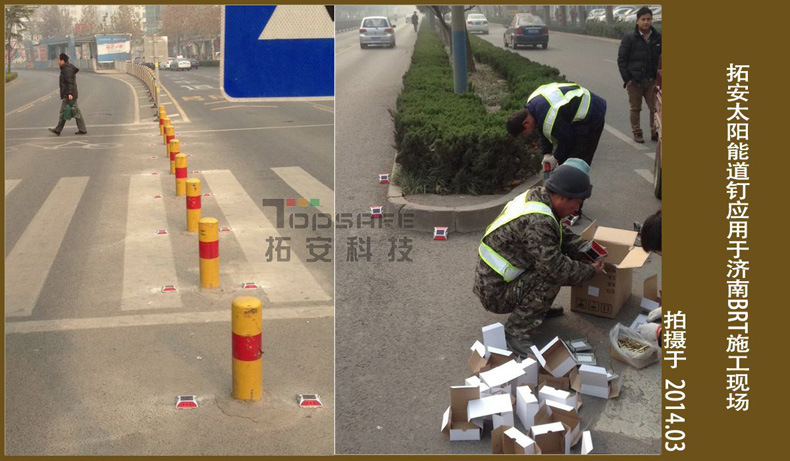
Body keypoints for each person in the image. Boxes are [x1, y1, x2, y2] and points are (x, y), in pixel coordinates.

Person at [473, 163, 605, 356]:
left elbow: (559, 234)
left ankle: (536, 309)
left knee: (550, 267)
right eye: (576, 202)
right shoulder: (538, 221)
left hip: (500, 280)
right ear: (560, 196)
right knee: (550, 276)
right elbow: (557, 269)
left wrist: (587, 249)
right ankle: (516, 332)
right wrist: (591, 271)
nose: (577, 209)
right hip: (496, 293)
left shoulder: (539, 197)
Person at [506, 82, 607, 170]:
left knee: (577, 163)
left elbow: (567, 141)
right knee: (566, 163)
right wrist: (547, 153)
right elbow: (542, 128)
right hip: (581, 106)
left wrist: (555, 158)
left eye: (524, 133)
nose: (527, 134)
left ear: (525, 123)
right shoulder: (533, 104)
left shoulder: (549, 117)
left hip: (592, 112)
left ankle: (575, 189)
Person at [617, 6, 661, 143]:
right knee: (635, 109)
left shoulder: (658, 38)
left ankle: (655, 131)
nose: (646, 22)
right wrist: (627, 79)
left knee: (655, 108)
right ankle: (637, 132)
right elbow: (622, 60)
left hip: (651, 80)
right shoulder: (630, 38)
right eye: (643, 19)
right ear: (637, 21)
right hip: (634, 81)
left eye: (648, 19)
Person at [48, 53, 87, 136]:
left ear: (63, 60)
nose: (58, 61)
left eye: (59, 59)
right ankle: (81, 129)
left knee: (67, 112)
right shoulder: (65, 68)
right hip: (69, 94)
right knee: (73, 112)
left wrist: (69, 93)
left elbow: (70, 82)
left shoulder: (67, 69)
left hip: (69, 94)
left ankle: (58, 130)